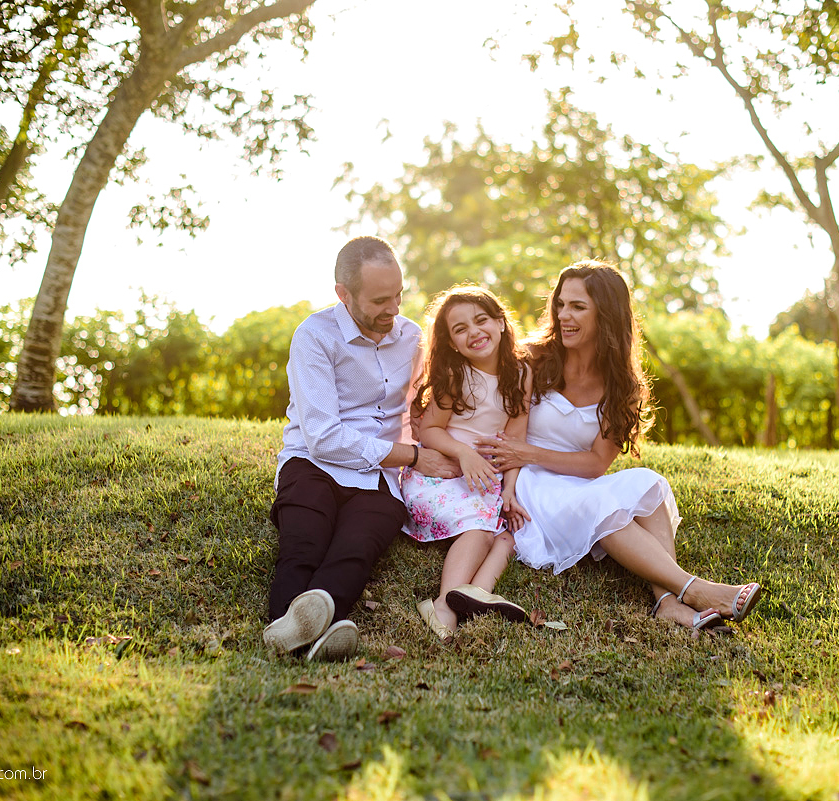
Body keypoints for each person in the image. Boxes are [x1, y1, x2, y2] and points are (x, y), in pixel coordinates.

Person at [476, 261, 762, 631]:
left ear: (606, 314)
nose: (564, 315)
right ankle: (694, 589)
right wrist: (521, 456)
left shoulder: (623, 386)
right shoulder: (534, 358)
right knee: (603, 505)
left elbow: (596, 464)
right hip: (528, 484)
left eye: (578, 307)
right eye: (561, 305)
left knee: (649, 484)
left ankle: (666, 602)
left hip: (574, 479)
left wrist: (528, 452)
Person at [263, 236, 457, 661]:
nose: (394, 309)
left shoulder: (412, 338)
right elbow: (324, 436)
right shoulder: (314, 336)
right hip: (312, 465)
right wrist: (414, 456)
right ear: (343, 294)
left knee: (356, 551)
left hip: (379, 479)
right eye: (380, 299)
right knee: (305, 545)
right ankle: (302, 631)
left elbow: (439, 397)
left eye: (399, 294)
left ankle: (302, 634)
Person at [402, 287, 532, 640]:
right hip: (439, 476)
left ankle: (478, 592)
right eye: (460, 329)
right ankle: (443, 605)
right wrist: (464, 452)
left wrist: (509, 491)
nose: (473, 332)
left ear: (501, 323)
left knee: (508, 536)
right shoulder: (455, 374)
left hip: (482, 480)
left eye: (481, 320)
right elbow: (429, 430)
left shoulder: (520, 374)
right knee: (479, 528)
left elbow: (515, 444)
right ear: (453, 343)